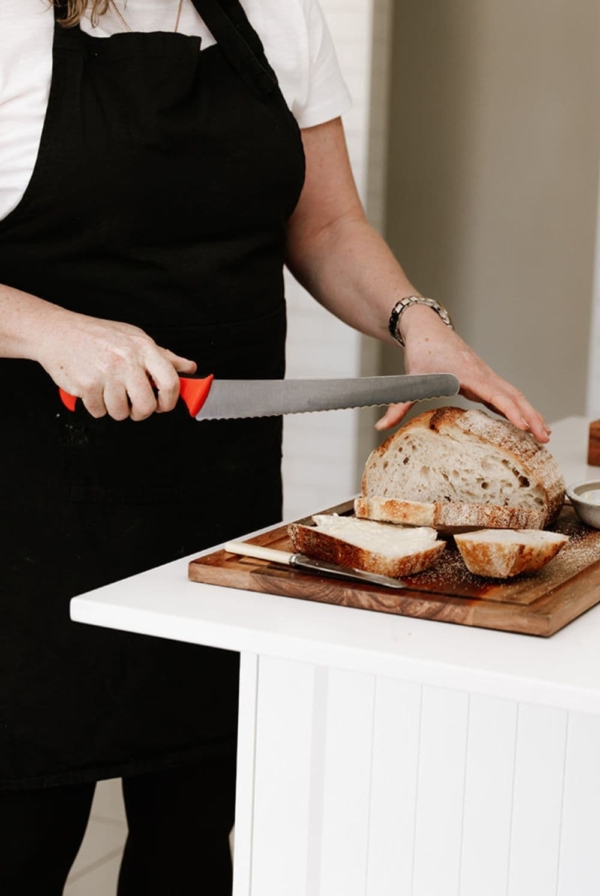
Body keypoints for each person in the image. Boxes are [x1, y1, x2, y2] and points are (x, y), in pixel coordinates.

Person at [0, 0, 550, 893]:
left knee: (192, 828)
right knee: (23, 833)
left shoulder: (277, 12)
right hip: (24, 511)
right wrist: (56, 333)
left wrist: (419, 325)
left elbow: (327, 226)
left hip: (214, 506)